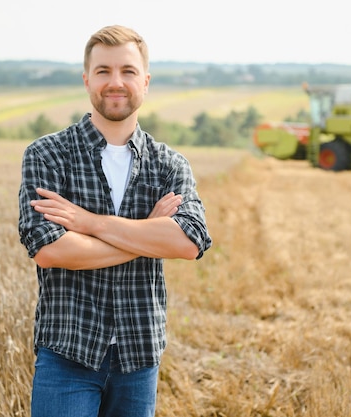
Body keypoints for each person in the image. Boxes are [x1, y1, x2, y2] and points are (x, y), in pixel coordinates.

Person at [18, 25, 212, 417]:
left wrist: (88, 222)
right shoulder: (48, 155)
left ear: (145, 80)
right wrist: (147, 234)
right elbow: (50, 250)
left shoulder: (169, 165)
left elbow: (188, 244)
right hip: (67, 354)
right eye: (103, 71)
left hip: (138, 357)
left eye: (127, 70)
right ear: (87, 78)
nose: (116, 82)